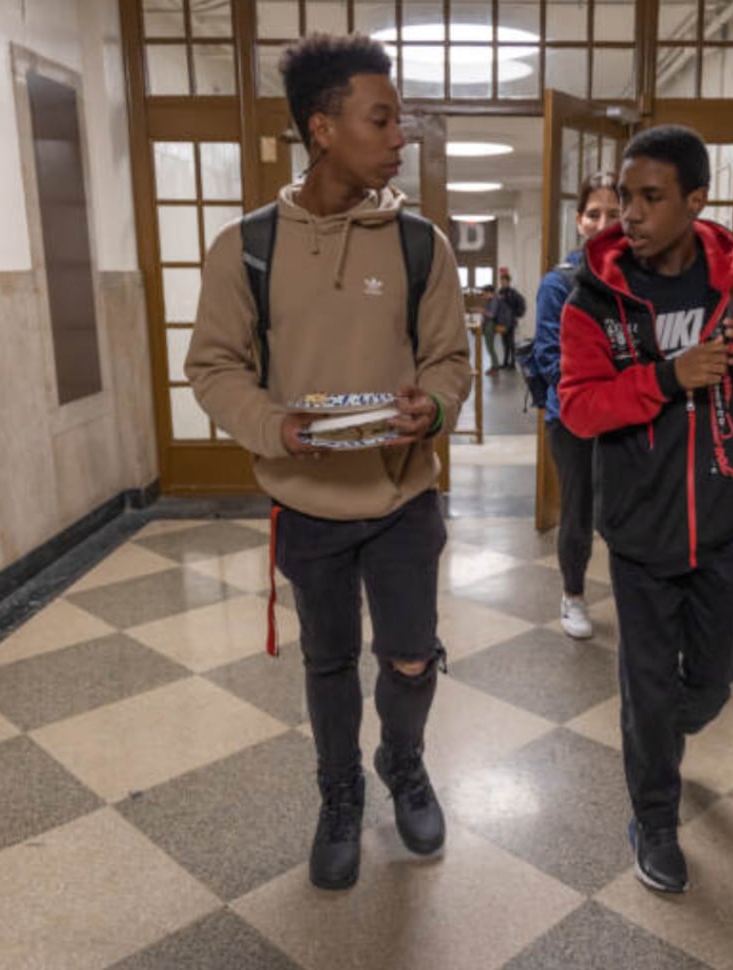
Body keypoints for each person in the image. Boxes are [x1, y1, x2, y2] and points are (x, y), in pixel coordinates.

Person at [184, 34, 471, 892]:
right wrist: (274, 426)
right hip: (306, 503)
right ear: (321, 129)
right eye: (380, 119)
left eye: (399, 119)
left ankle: (403, 763)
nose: (400, 135)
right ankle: (338, 793)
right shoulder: (247, 247)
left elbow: (451, 359)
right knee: (328, 660)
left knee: (412, 655)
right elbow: (214, 366)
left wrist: (437, 405)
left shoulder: (422, 245)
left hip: (402, 496)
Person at [558, 126, 733, 894]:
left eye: (652, 198)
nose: (631, 213)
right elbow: (581, 408)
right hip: (640, 530)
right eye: (625, 197)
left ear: (697, 200)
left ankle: (696, 697)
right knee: (648, 690)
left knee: (716, 673)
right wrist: (667, 377)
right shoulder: (594, 296)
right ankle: (654, 817)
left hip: (723, 520)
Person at [533, 173, 622, 639]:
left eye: (614, 213)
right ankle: (573, 596)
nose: (603, 223)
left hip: (629, 417)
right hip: (572, 420)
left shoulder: (637, 282)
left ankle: (638, 597)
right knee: (579, 511)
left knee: (630, 512)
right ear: (578, 220)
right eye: (594, 214)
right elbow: (550, 358)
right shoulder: (559, 283)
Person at [484, 268, 526, 373]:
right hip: (502, 321)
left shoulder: (513, 293)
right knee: (504, 342)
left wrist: (515, 315)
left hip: (511, 321)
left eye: (504, 281)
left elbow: (520, 304)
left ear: (508, 281)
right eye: (501, 281)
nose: (502, 283)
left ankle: (513, 363)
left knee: (510, 343)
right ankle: (505, 362)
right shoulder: (500, 292)